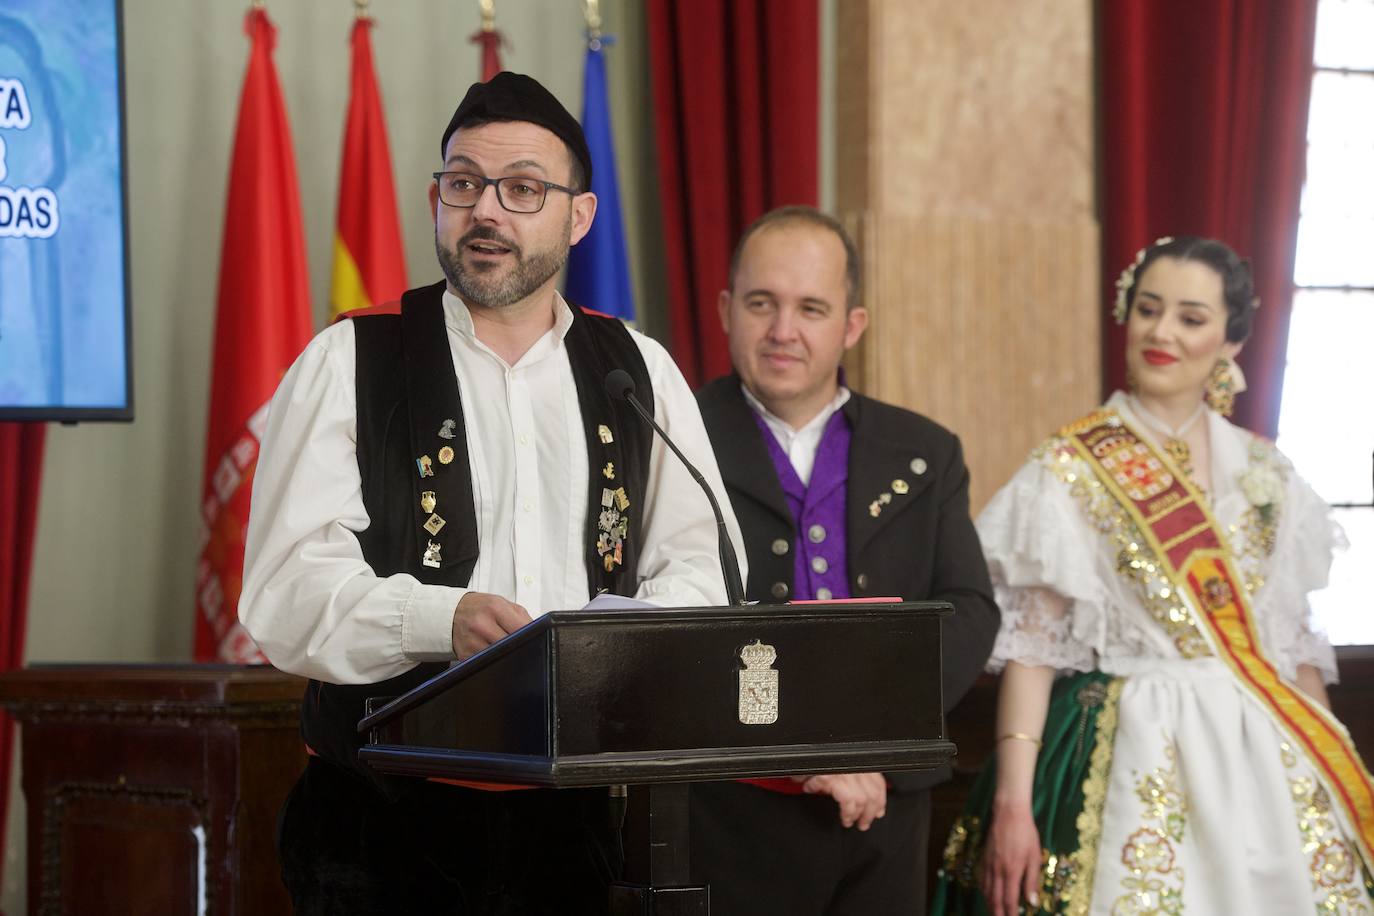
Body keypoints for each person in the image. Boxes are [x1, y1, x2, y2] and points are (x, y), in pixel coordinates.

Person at [239, 71, 743, 916]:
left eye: (522, 189)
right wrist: (442, 619)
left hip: (570, 820)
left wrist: (610, 643)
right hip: (380, 822)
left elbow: (703, 571)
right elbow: (286, 594)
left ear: (578, 216)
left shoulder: (635, 372)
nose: (487, 212)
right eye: (464, 184)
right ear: (437, 198)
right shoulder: (351, 361)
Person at [931, 236, 1374, 915]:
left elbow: (1292, 655)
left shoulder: (1268, 476)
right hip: (1132, 743)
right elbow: (1031, 651)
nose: (1162, 332)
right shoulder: (1070, 467)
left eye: (1191, 318)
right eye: (1148, 309)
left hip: (1265, 759)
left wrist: (1338, 778)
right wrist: (1013, 806)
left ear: (1230, 341)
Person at [691, 205, 1001, 915]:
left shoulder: (926, 451)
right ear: (725, 309)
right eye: (762, 303)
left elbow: (970, 610)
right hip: (727, 811)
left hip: (886, 811)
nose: (783, 332)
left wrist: (869, 748)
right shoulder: (671, 438)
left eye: (812, 308)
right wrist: (806, 756)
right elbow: (662, 626)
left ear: (851, 326)